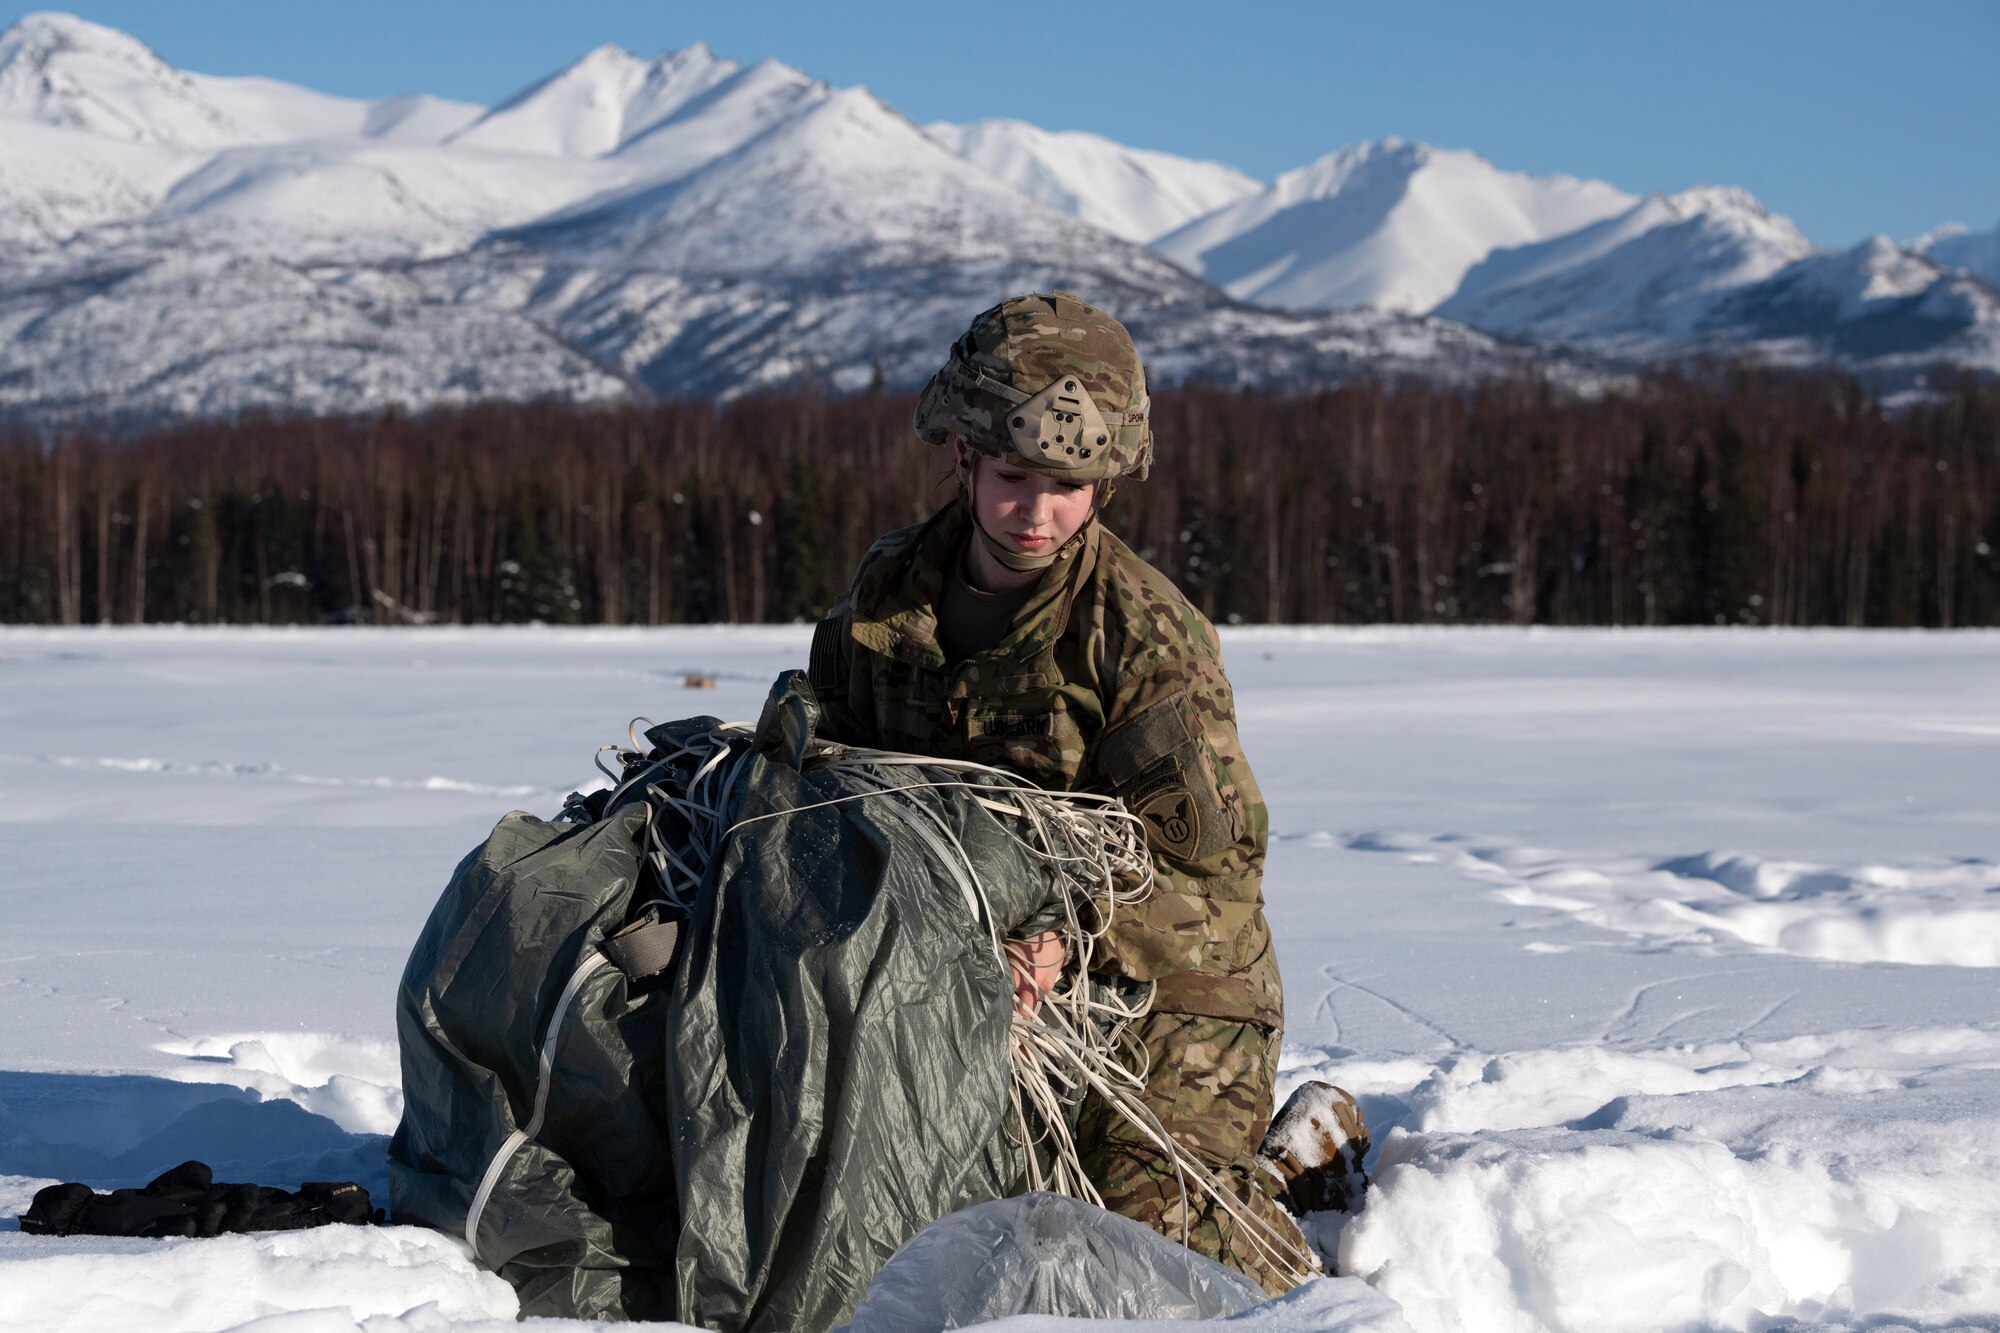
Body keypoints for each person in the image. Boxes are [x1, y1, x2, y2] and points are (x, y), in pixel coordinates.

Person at [806, 292, 1365, 1295]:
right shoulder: (888, 596)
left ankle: (1294, 1178)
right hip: (948, 967)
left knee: (1139, 1247)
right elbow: (832, 768)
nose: (1035, 511)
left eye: (1067, 484)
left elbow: (1215, 870)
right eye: (1013, 476)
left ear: (1105, 482)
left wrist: (1070, 935)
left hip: (1169, 979)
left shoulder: (1145, 636)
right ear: (965, 460)